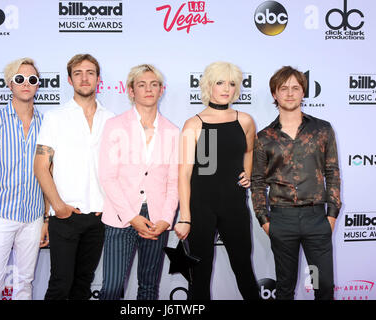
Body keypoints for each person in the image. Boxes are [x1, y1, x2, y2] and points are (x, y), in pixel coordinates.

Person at [251, 66, 341, 300]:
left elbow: (332, 171)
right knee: (285, 288)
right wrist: (265, 221)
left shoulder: (322, 129)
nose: (289, 93)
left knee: (324, 286)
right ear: (275, 94)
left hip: (316, 220)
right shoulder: (264, 137)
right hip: (281, 221)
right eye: (283, 88)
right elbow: (257, 182)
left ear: (303, 92)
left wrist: (331, 216)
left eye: (295, 88)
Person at [176, 61, 260, 300]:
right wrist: (185, 216)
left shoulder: (245, 120)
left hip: (235, 206)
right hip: (201, 208)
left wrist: (248, 173)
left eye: (232, 83)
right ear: (208, 85)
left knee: (244, 270)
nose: (226, 89)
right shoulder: (193, 124)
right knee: (199, 276)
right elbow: (184, 173)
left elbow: (250, 150)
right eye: (220, 82)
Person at [34, 54, 114, 300]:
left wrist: (109, 205)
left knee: (83, 284)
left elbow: (116, 169)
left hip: (99, 218)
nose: (84, 77)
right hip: (66, 214)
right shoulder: (55, 117)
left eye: (90, 72)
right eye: (78, 73)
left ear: (98, 79)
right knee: (60, 284)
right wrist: (57, 207)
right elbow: (40, 165)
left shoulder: (111, 119)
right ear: (69, 80)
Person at [98, 64, 179, 300]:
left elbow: (174, 181)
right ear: (131, 91)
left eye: (154, 84)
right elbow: (107, 176)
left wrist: (165, 219)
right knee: (112, 288)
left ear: (161, 90)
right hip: (120, 218)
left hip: (157, 220)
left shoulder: (173, 131)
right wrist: (132, 217)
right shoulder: (114, 126)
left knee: (148, 288)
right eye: (142, 85)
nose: (148, 90)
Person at [0, 57, 48, 300]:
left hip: (34, 217)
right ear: (9, 84)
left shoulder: (47, 124)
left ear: (38, 85)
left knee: (24, 285)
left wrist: (46, 218)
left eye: (32, 79)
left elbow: (49, 174)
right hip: (0, 217)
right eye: (19, 79)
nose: (26, 83)